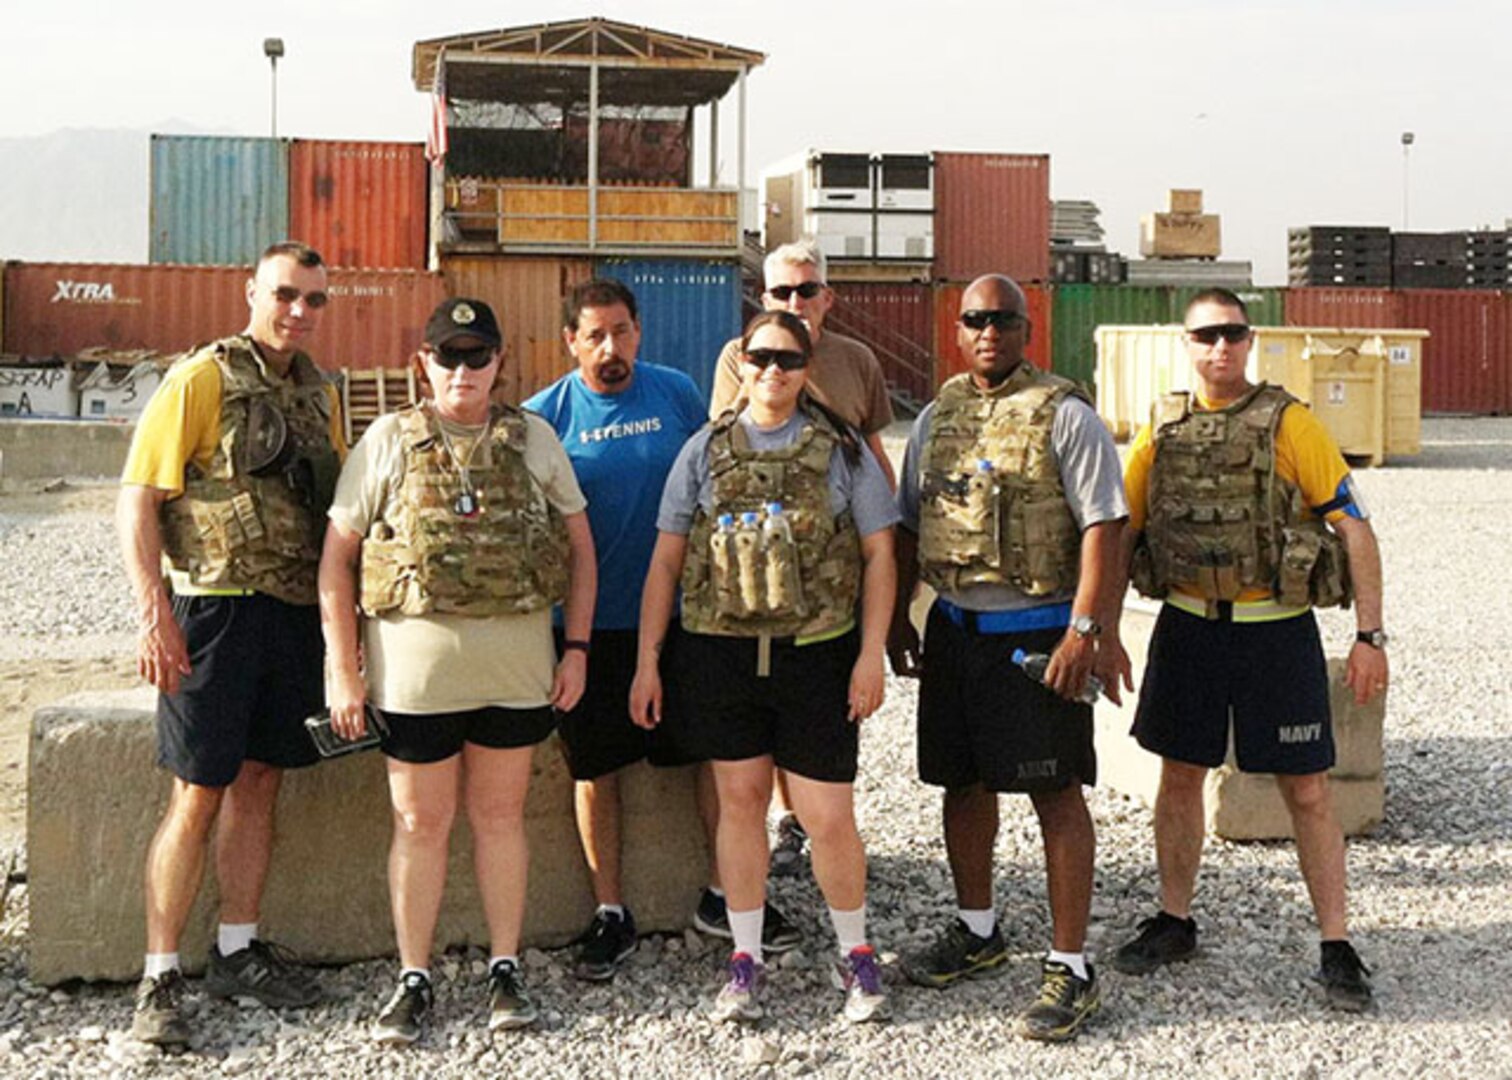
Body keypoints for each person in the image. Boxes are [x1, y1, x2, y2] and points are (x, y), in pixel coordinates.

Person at [318, 297, 596, 1044]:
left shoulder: (533, 439)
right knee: (419, 822)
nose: (463, 370)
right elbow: (336, 563)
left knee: (500, 819)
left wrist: (578, 650)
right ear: (424, 363)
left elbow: (580, 549)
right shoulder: (387, 440)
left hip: (514, 675)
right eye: (449, 355)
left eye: (478, 356)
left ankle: (506, 968)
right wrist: (343, 672)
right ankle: (415, 976)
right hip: (414, 685)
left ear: (500, 364)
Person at [1110, 287, 1388, 1013]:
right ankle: (1175, 920)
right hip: (1190, 628)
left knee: (1308, 790)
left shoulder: (1291, 424)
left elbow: (1354, 528)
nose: (1220, 348)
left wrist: (1369, 636)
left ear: (1250, 338)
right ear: (1187, 344)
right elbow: (1119, 530)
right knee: (1179, 778)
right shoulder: (1160, 427)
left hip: (1276, 634)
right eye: (1206, 336)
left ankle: (1336, 944)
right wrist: (1100, 631)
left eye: (1232, 334)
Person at [526, 279, 803, 983]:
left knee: (715, 758)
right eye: (594, 335)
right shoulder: (544, 417)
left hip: (687, 622)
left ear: (638, 331)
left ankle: (723, 894)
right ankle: (610, 912)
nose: (610, 348)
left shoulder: (678, 394)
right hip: (587, 627)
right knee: (595, 770)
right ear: (571, 342)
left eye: (620, 332)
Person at [631, 310, 898, 1024]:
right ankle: (744, 959)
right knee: (741, 805)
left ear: (808, 368)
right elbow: (666, 559)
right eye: (760, 358)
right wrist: (648, 661)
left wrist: (871, 654)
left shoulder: (842, 451)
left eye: (788, 358)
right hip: (722, 657)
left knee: (827, 815)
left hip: (816, 657)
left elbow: (879, 555)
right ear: (740, 365)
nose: (773, 371)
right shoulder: (703, 451)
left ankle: (857, 954)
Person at [888, 274, 1128, 1043]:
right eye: (975, 319)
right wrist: (897, 614)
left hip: (1039, 632)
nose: (989, 331)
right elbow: (905, 524)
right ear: (957, 331)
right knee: (961, 784)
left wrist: (1086, 631)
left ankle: (1069, 965)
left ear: (1028, 329)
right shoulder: (936, 416)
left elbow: (1104, 527)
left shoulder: (1066, 415)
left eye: (1003, 319)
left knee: (1055, 793)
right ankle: (978, 929)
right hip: (957, 633)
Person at [117, 241, 343, 1047]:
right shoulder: (203, 378)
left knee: (259, 783)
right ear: (251, 291)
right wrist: (154, 613)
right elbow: (140, 497)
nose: (298, 312)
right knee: (197, 792)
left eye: (314, 300)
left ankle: (238, 951)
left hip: (288, 614)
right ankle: (159, 977)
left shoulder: (318, 395)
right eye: (286, 294)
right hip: (212, 613)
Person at [709, 238, 897, 876]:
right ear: (762, 299)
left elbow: (874, 452)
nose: (796, 302)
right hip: (760, 576)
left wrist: (892, 550)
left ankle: (827, 831)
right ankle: (791, 825)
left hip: (834, 578)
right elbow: (723, 449)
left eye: (807, 290)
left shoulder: (857, 361)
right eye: (782, 293)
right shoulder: (740, 359)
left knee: (831, 712)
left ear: (828, 296)